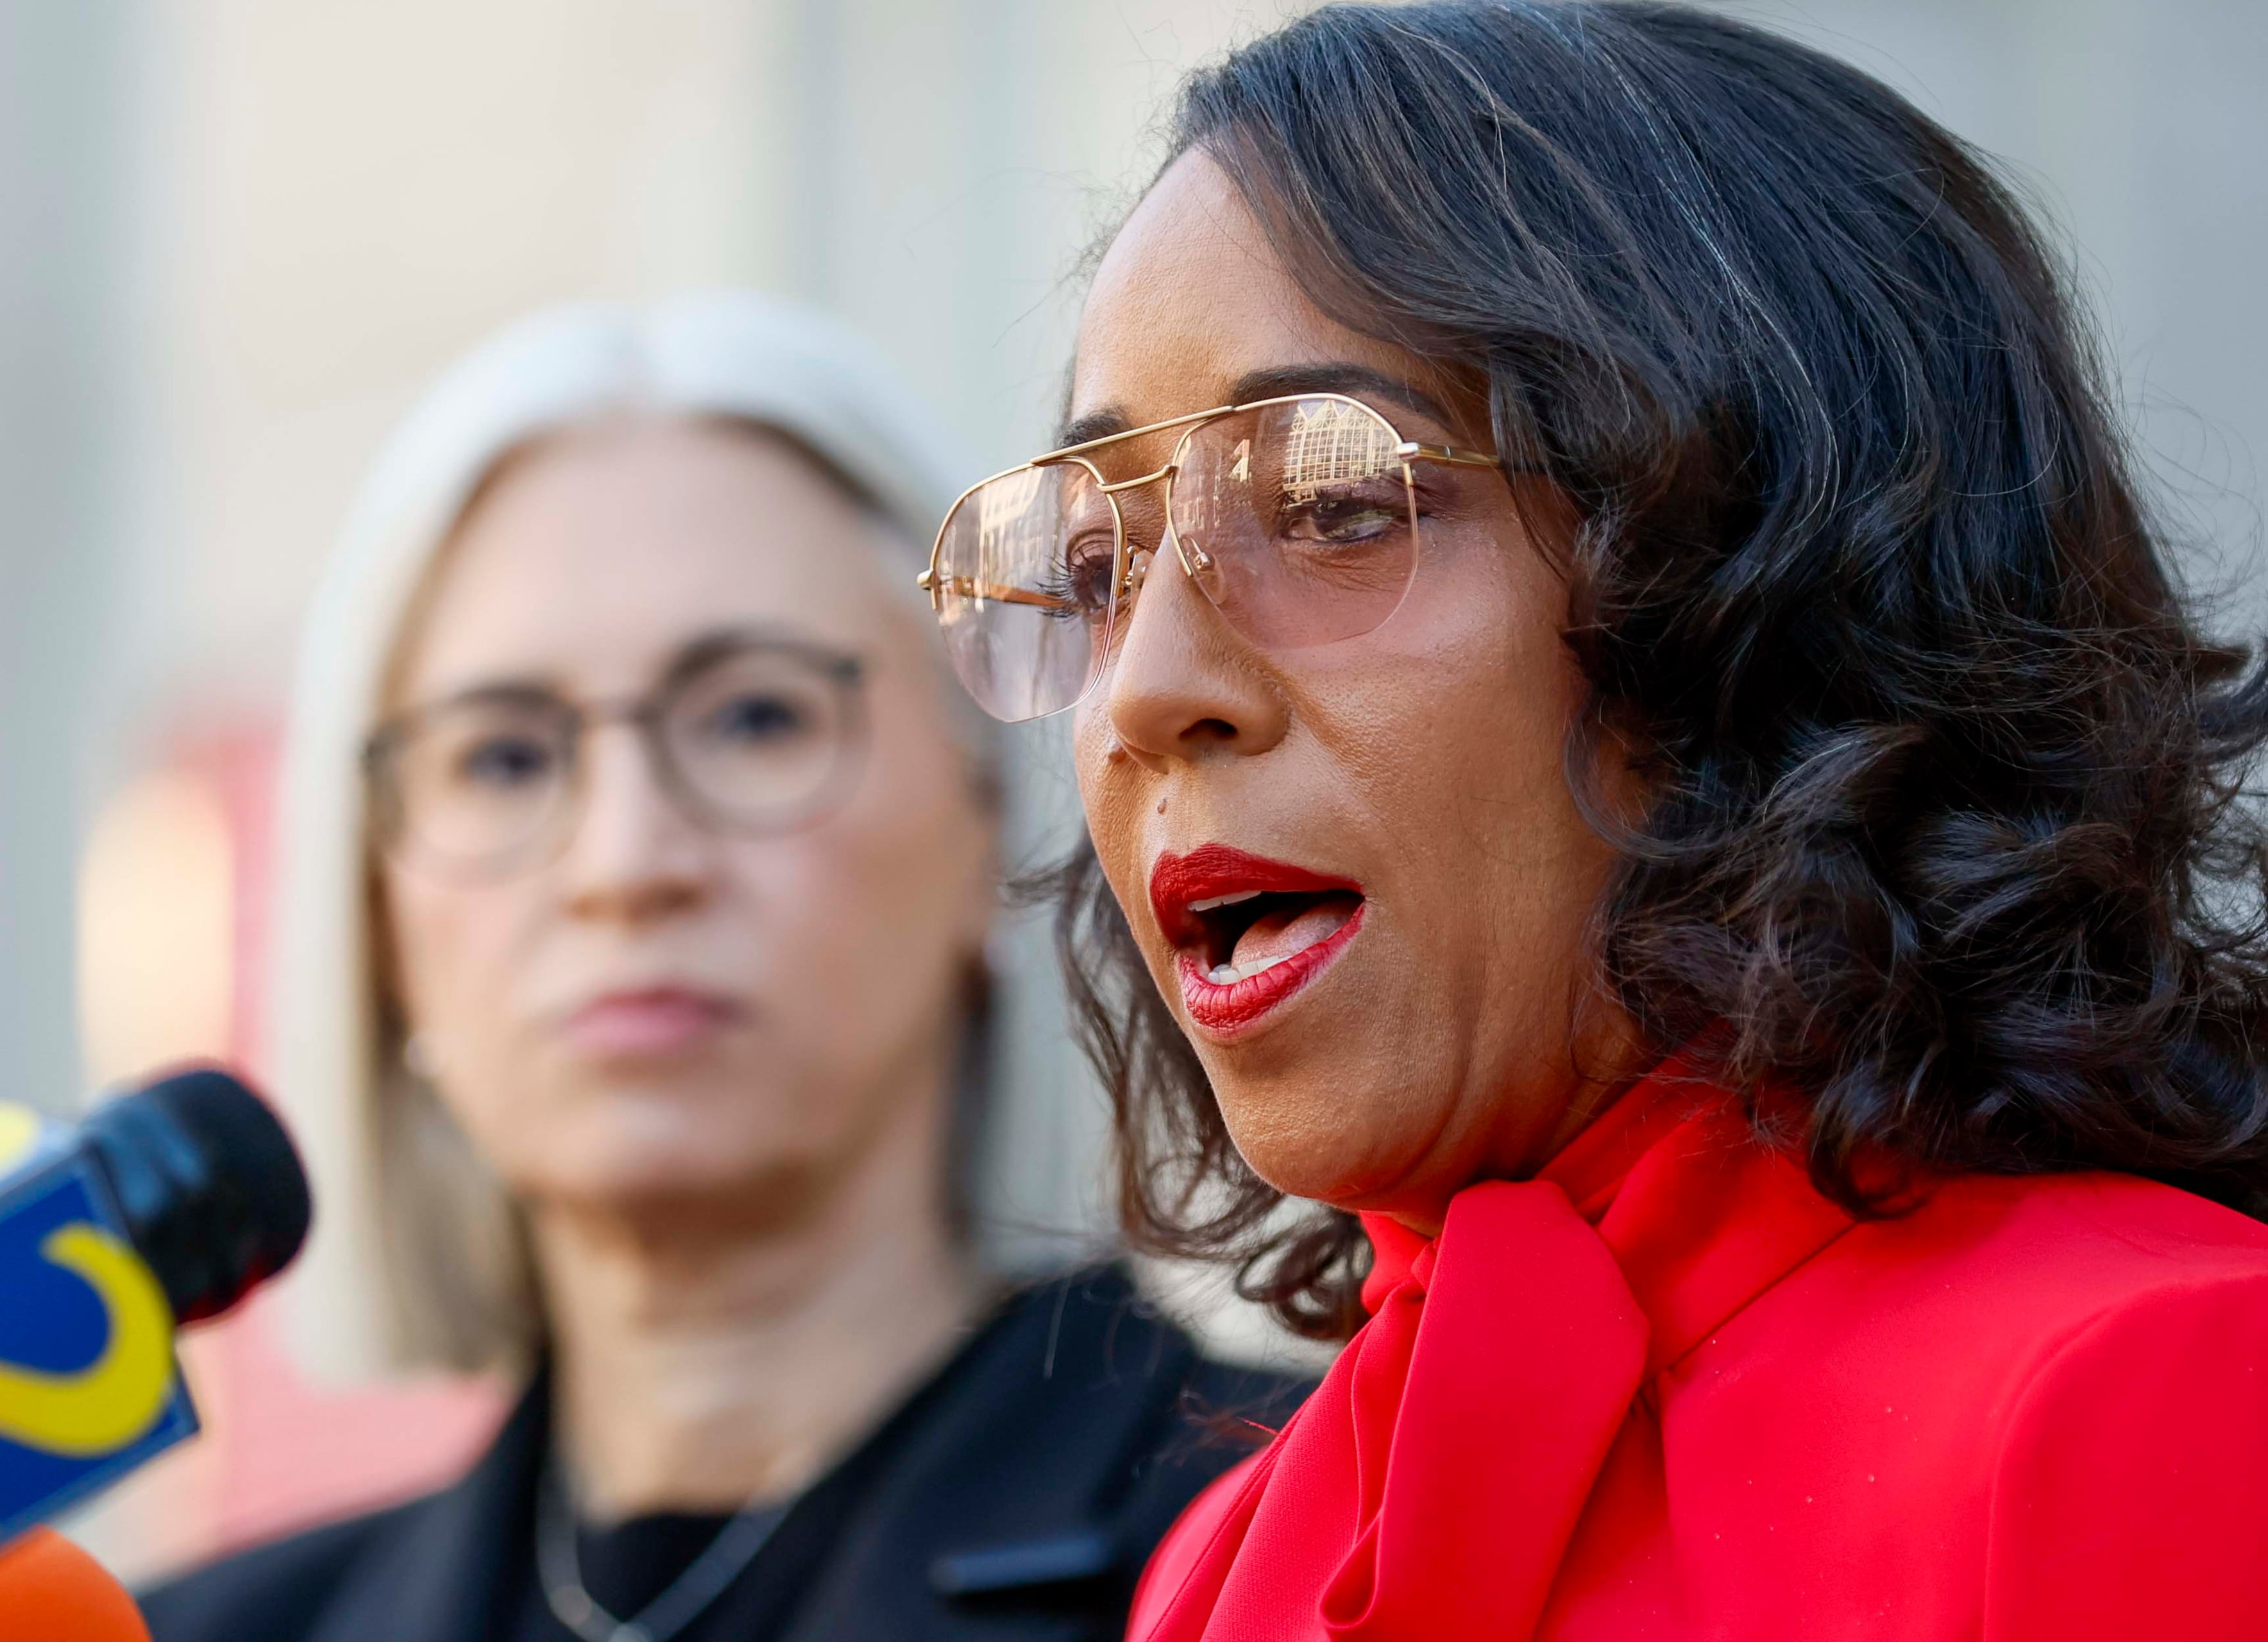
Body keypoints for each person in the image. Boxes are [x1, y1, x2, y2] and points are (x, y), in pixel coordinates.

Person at [918, 5, 2268, 1637]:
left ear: (1759, 573)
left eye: (1335, 503)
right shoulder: (1228, 1558)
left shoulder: (2153, 1393)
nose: (1143, 689)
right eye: (1095, 566)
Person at [139, 296, 1301, 1642]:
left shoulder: (1327, 1553)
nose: (627, 860)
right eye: (504, 756)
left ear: (991, 817)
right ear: (379, 917)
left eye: (756, 717)